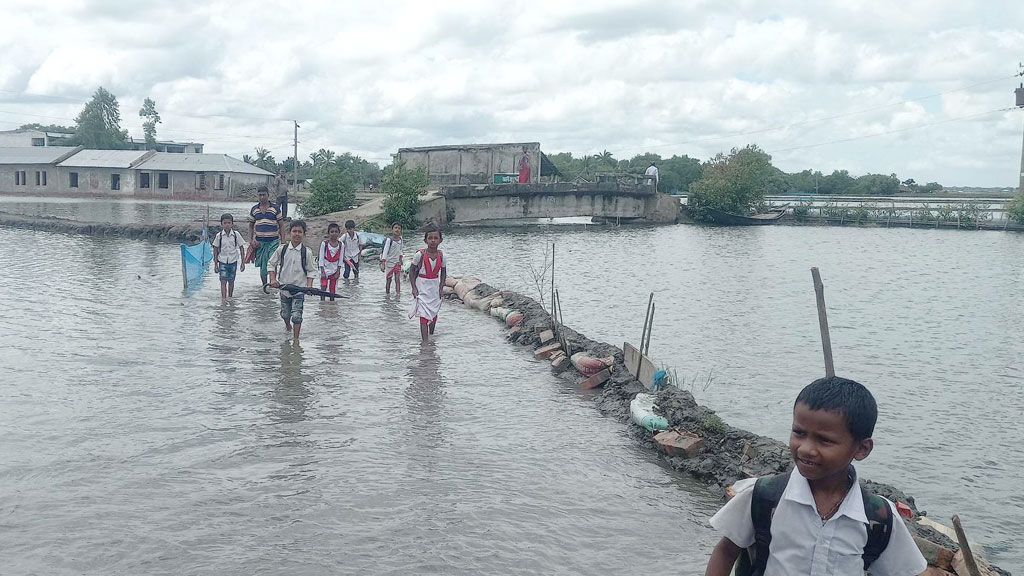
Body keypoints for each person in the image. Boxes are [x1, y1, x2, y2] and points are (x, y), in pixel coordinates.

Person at [704, 376, 927, 576]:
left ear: (862, 449)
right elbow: (726, 551)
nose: (806, 449)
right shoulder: (763, 496)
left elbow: (902, 570)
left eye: (825, 440)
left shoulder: (880, 518)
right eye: (799, 433)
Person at [268, 220, 316, 342]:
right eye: (294, 231)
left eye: (300, 231)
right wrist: (273, 279)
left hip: (300, 290)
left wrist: (309, 287)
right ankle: (288, 327)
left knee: (297, 316)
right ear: (290, 233)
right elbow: (271, 264)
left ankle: (296, 340)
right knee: (285, 314)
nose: (297, 234)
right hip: (284, 288)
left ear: (304, 234)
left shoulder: (307, 252)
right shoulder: (282, 249)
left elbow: (311, 271)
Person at [408, 226, 446, 343]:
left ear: (440, 240)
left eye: (436, 238)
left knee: (434, 312)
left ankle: (431, 335)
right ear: (425, 241)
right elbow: (411, 271)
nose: (433, 240)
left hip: (434, 286)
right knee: (424, 314)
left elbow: (443, 272)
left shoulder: (442, 256)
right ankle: (425, 343)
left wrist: (441, 287)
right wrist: (414, 287)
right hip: (422, 285)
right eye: (430, 238)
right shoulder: (419, 255)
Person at [248, 186, 285, 287]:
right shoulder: (254, 209)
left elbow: (281, 225)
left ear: (268, 195)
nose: (262, 197)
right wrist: (250, 241)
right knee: (263, 266)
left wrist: (283, 242)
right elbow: (251, 226)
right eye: (260, 195)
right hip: (260, 243)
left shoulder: (275, 208)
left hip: (273, 241)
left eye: (264, 194)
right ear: (258, 196)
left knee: (272, 262)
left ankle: (273, 282)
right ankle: (264, 286)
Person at [212, 213, 246, 299]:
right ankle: (223, 300)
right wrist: (215, 264)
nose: (227, 225)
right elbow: (215, 249)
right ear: (221, 224)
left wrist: (243, 262)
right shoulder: (219, 236)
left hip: (233, 261)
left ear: (232, 224)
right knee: (223, 281)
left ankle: (230, 297)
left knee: (231, 281)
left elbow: (241, 248)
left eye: (229, 223)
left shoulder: (236, 235)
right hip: (222, 261)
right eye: (225, 223)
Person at [318, 222, 343, 301]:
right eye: (332, 232)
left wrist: (338, 271)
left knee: (332, 289)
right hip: (325, 269)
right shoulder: (324, 244)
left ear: (339, 233)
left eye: (336, 232)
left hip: (335, 269)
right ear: (328, 233)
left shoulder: (341, 245)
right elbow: (321, 258)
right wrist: (322, 271)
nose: (334, 234)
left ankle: (332, 305)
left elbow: (341, 259)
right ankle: (322, 303)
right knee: (323, 286)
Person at [380, 222, 404, 296]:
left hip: (397, 262)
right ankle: (387, 295)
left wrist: (401, 260)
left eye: (399, 228)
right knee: (389, 280)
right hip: (389, 263)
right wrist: (383, 263)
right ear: (392, 229)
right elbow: (385, 252)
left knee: (397, 280)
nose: (397, 230)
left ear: (401, 230)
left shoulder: (401, 239)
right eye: (395, 228)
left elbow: (400, 250)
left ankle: (398, 295)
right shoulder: (389, 240)